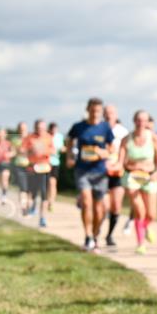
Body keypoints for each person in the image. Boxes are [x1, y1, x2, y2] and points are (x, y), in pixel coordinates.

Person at [66, 98, 115, 253]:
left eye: (98, 111)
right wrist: (69, 156)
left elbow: (111, 148)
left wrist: (103, 153)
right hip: (82, 170)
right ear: (88, 110)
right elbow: (69, 140)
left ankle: (95, 236)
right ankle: (87, 236)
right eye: (93, 110)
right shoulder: (78, 127)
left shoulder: (105, 128)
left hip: (100, 171)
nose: (95, 114)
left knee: (100, 209)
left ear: (101, 112)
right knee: (87, 203)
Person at [119, 110, 157, 254]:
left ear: (147, 122)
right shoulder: (126, 140)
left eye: (144, 120)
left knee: (152, 214)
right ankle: (140, 244)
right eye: (138, 120)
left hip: (149, 177)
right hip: (132, 178)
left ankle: (147, 226)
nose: (141, 123)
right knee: (140, 211)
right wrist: (122, 167)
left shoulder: (154, 138)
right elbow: (121, 162)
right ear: (134, 121)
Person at [103, 105, 130, 246]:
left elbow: (128, 150)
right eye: (106, 113)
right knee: (104, 205)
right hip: (101, 172)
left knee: (116, 206)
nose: (109, 116)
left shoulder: (123, 131)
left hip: (118, 172)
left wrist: (122, 163)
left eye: (111, 113)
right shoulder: (99, 129)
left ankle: (109, 235)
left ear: (116, 114)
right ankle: (95, 232)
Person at [22, 119, 55, 227]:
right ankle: (31, 207)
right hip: (33, 168)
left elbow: (53, 150)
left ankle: (42, 218)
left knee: (44, 194)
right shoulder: (29, 138)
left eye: (42, 128)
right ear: (35, 127)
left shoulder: (48, 137)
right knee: (32, 193)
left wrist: (44, 151)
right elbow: (23, 150)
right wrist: (31, 151)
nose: (40, 130)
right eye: (38, 128)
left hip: (45, 168)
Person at [10, 122, 32, 215]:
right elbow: (12, 152)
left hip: (30, 166)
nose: (22, 130)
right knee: (23, 188)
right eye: (21, 128)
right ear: (18, 129)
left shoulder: (31, 138)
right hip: (19, 165)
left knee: (30, 188)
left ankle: (29, 205)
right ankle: (23, 208)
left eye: (24, 128)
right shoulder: (15, 139)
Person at [47, 122, 65, 212]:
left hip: (55, 162)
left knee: (52, 183)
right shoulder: (46, 136)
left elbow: (63, 148)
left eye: (55, 130)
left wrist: (62, 149)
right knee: (46, 184)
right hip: (45, 163)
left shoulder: (60, 137)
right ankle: (45, 200)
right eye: (52, 130)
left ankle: (51, 202)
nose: (54, 131)